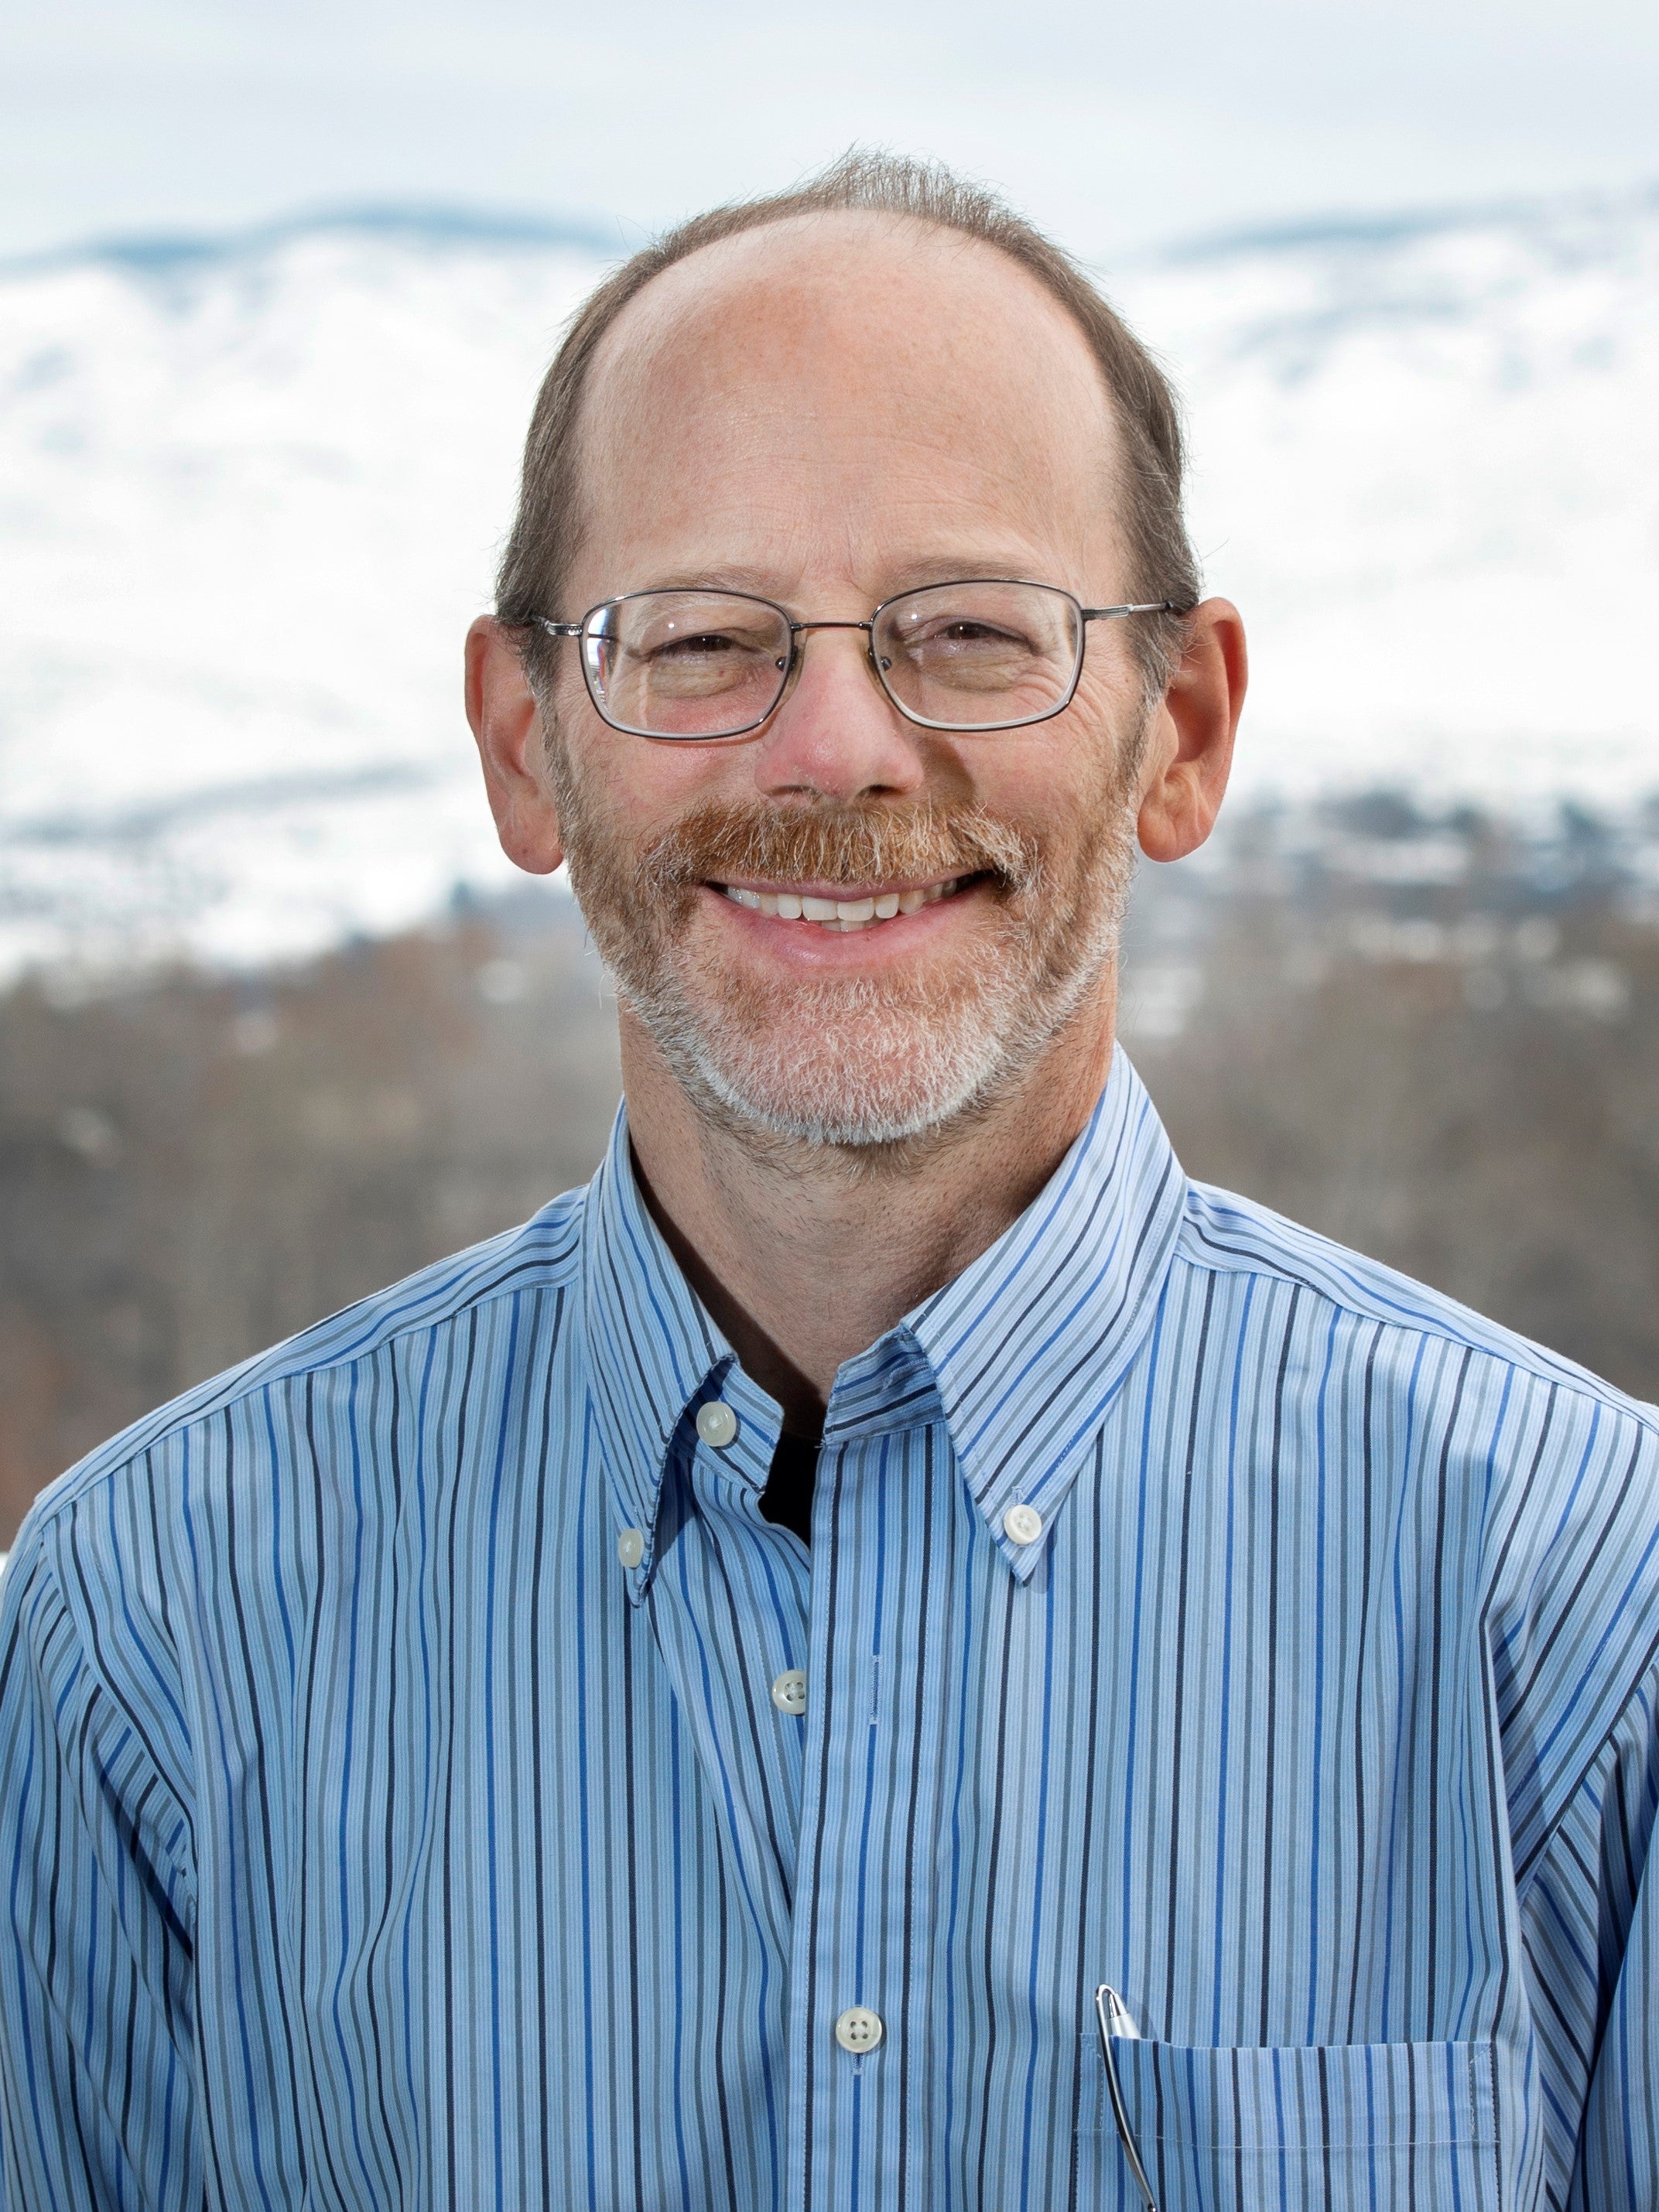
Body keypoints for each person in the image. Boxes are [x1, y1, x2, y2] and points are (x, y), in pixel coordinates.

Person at [0, 152, 1654, 2212]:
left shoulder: (1586, 1607)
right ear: (529, 743)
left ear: (1184, 728)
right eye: (703, 638)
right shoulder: (154, 1631)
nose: (839, 748)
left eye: (970, 631)